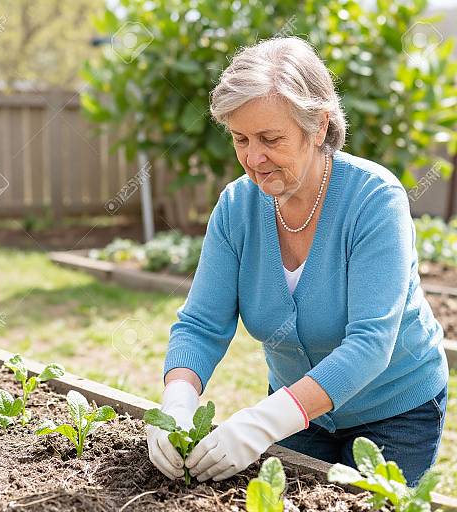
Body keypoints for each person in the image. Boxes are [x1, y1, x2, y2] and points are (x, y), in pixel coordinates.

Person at [146, 36, 448, 487]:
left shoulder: (374, 200)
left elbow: (370, 344)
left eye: (270, 138)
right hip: (299, 414)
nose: (252, 158)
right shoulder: (237, 207)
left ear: (320, 126)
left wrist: (262, 423)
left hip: (394, 411)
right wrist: (177, 402)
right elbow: (200, 325)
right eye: (240, 139)